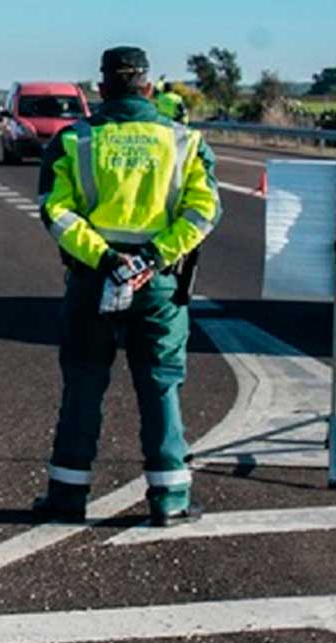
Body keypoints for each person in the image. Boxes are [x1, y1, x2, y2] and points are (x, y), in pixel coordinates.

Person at [34, 46, 220, 526]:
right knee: (160, 385)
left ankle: (67, 496)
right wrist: (153, 258)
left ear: (101, 89)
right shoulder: (184, 142)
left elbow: (56, 211)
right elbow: (204, 212)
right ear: (150, 88)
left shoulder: (76, 141)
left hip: (94, 278)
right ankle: (170, 500)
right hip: (157, 282)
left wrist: (106, 259)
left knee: (83, 383)